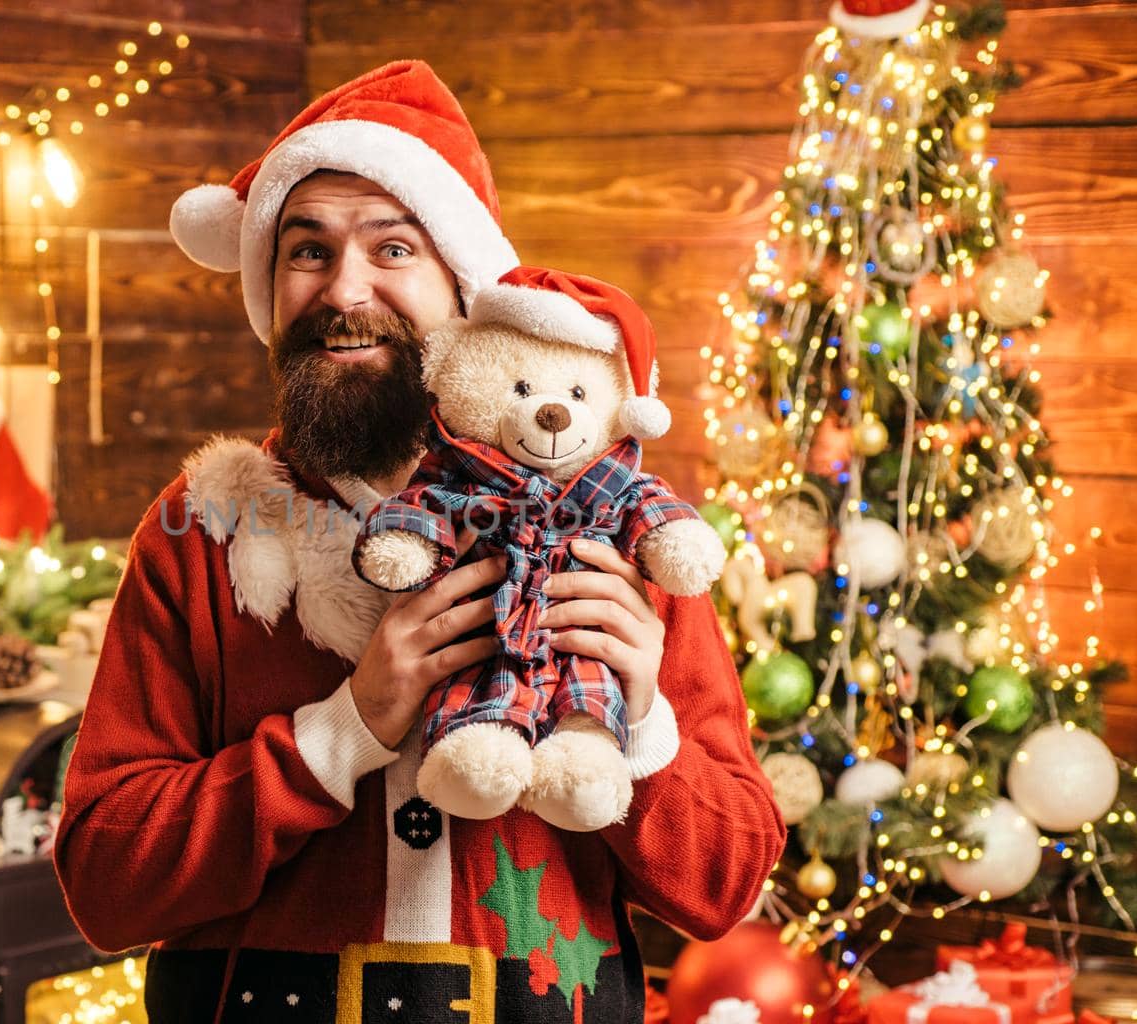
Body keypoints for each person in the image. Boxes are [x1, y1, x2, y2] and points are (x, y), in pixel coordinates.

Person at [54, 60, 786, 1023]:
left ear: (462, 287)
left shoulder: (613, 526)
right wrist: (342, 732)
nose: (341, 286)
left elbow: (723, 885)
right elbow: (108, 880)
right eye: (304, 252)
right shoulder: (205, 530)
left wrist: (643, 723)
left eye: (392, 248)